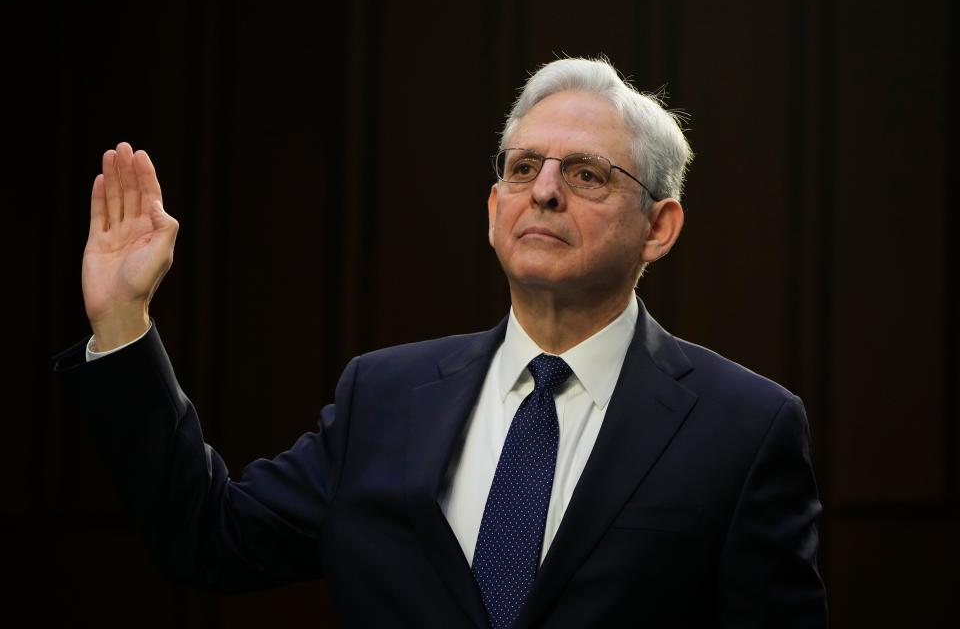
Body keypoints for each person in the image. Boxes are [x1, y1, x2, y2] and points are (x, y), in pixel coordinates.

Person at [55, 57, 827, 627]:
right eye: (524, 167)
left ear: (659, 228)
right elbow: (206, 539)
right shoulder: (383, 398)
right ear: (496, 208)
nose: (545, 190)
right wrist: (123, 322)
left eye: (587, 174)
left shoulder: (744, 428)